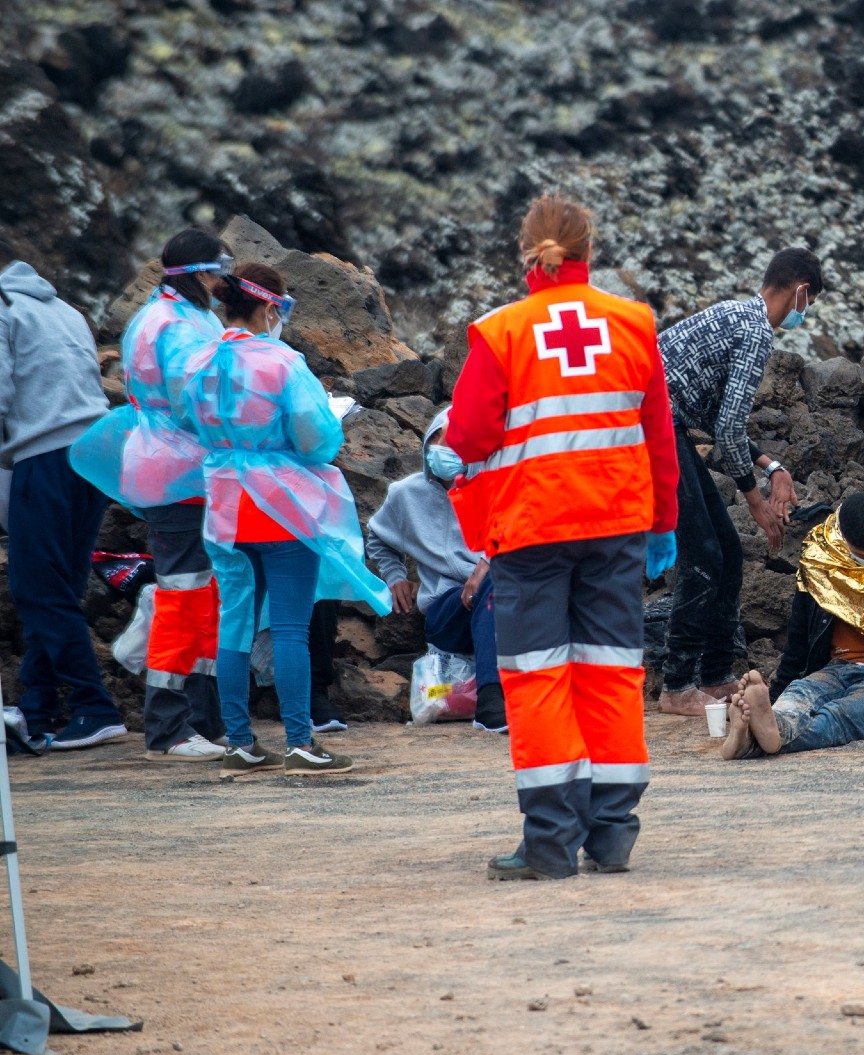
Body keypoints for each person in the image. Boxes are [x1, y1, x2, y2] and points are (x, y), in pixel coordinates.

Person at [445, 195, 679, 881]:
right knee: (611, 673)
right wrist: (664, 522)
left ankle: (549, 843)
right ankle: (611, 836)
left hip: (532, 528)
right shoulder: (634, 323)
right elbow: (658, 437)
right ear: (589, 252)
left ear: (527, 255)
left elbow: (467, 435)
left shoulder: (500, 332)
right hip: (617, 525)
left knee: (538, 679)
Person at [184, 263, 391, 777]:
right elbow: (318, 437)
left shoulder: (200, 360)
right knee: (292, 628)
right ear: (271, 307)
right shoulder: (283, 362)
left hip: (224, 503)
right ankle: (300, 740)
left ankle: (239, 741)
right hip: (281, 505)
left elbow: (188, 423)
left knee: (233, 624)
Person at [70, 228, 231, 761]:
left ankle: (204, 721)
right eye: (216, 273)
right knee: (184, 594)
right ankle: (170, 727)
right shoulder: (175, 323)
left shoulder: (178, 316)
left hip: (180, 467)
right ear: (198, 274)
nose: (219, 283)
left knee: (202, 594)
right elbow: (196, 400)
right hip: (177, 470)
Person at [654, 249, 823, 717]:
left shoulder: (736, 315)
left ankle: (714, 673)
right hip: (647, 428)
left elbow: (713, 416)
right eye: (809, 304)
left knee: (726, 548)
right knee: (703, 552)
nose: (804, 314)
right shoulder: (755, 333)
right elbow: (727, 430)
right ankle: (676, 684)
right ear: (801, 291)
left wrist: (773, 468)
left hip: (672, 425)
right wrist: (755, 501)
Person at [0, 240, 122, 751]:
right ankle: (37, 709)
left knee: (36, 589)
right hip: (94, 457)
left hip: (43, 456)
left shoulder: (3, 310)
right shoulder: (66, 309)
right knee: (60, 590)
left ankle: (95, 708)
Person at [720, 493, 864, 759]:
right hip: (836, 668)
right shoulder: (824, 561)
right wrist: (774, 694)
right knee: (799, 694)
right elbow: (798, 640)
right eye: (863, 555)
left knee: (842, 716)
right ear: (842, 535)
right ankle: (767, 726)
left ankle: (752, 739)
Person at [365, 409, 505, 733]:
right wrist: (395, 575)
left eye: (456, 441)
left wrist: (484, 566)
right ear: (428, 443)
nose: (446, 448)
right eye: (439, 439)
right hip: (447, 609)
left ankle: (498, 697)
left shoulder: (492, 486)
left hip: (495, 597)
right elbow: (377, 536)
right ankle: (491, 700)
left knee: (498, 576)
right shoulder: (405, 494)